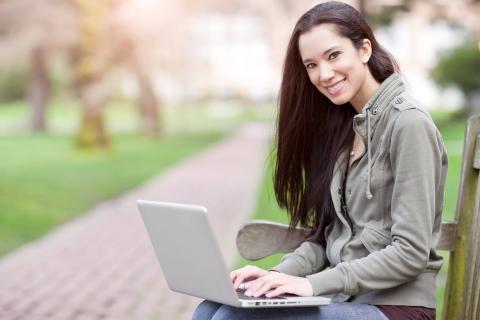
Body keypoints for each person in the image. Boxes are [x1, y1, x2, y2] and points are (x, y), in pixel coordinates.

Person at [192, 1, 448, 319]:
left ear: (364, 49)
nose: (324, 74)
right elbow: (328, 236)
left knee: (233, 318)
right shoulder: (345, 126)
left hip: (396, 307)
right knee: (210, 309)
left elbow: (410, 252)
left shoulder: (408, 124)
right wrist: (276, 277)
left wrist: (312, 285)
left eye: (333, 55)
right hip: (348, 300)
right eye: (311, 65)